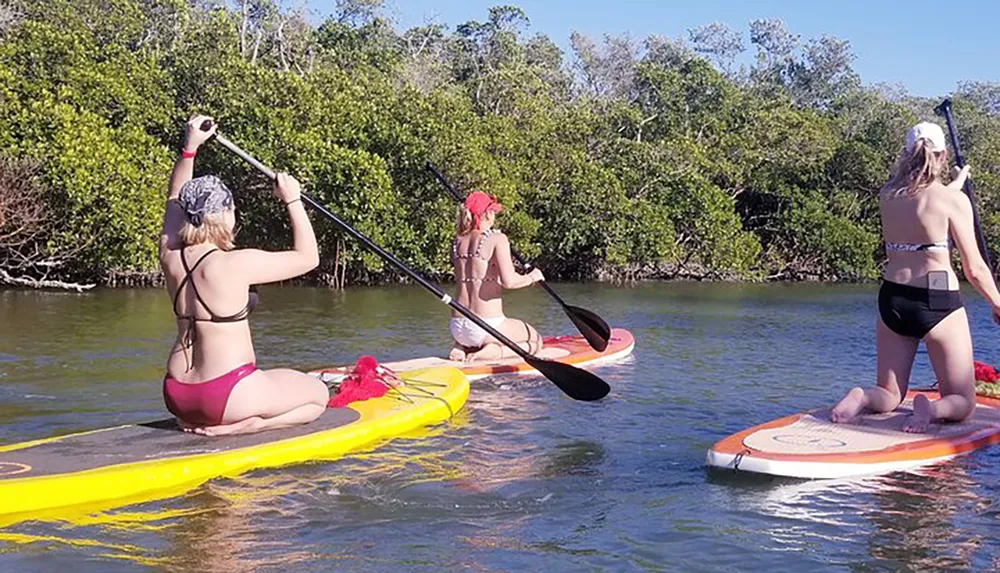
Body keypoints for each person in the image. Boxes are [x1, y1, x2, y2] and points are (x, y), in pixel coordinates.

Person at [159, 115, 329, 436]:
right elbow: (309, 258)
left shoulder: (169, 254)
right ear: (225, 214)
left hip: (177, 392)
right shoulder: (236, 263)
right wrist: (292, 199)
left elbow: (173, 198)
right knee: (318, 397)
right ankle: (247, 426)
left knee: (276, 381)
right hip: (225, 396)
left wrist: (189, 149)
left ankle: (217, 418)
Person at [830, 121, 1000, 432]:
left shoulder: (888, 195)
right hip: (936, 298)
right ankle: (931, 410)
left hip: (893, 297)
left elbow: (924, 202)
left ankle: (862, 397)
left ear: (907, 154)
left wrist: (959, 181)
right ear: (943, 155)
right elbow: (974, 269)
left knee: (890, 394)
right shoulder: (952, 202)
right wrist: (997, 303)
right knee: (963, 402)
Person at [448, 191, 545, 362]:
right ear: (487, 214)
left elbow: (477, 276)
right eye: (493, 211)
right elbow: (510, 281)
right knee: (536, 340)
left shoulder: (457, 241)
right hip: (488, 325)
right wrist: (533, 277)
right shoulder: (497, 238)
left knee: (471, 335)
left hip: (457, 326)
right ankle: (494, 351)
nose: (495, 215)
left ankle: (460, 347)